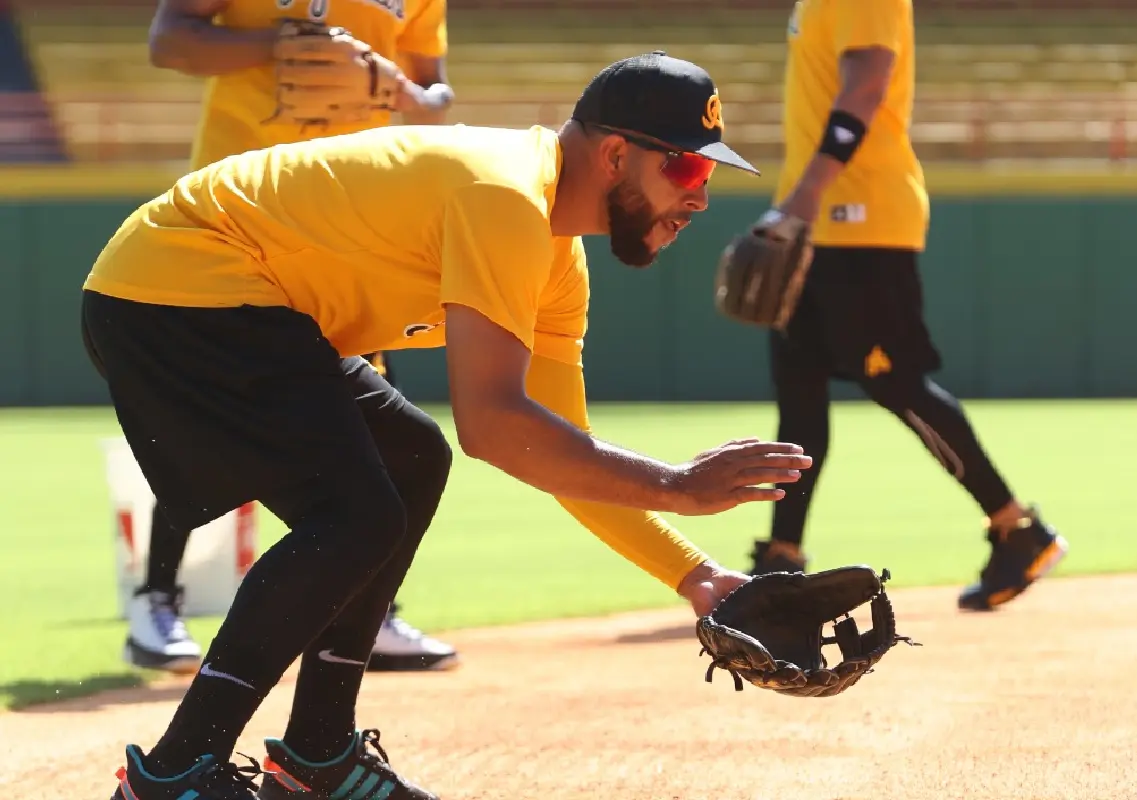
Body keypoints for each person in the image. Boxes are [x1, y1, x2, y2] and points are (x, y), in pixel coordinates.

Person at [84, 51, 813, 800]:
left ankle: (317, 756)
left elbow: (557, 454)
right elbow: (492, 425)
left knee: (411, 459)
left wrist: (698, 578)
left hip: (227, 300)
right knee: (357, 513)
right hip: (176, 288)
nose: (700, 197)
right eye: (688, 167)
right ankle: (175, 772)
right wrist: (679, 486)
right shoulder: (506, 196)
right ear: (616, 155)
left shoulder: (553, 260)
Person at [121, 0, 459, 677]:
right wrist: (275, 44)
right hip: (233, 210)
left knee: (378, 422)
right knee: (209, 420)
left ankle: (365, 613)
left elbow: (436, 96)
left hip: (352, 217)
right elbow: (170, 40)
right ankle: (155, 603)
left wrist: (398, 90)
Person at [741, 0, 1068, 611]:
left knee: (896, 383)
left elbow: (866, 88)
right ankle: (782, 559)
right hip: (817, 223)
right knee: (799, 390)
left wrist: (806, 194)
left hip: (861, 220)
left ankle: (1017, 527)